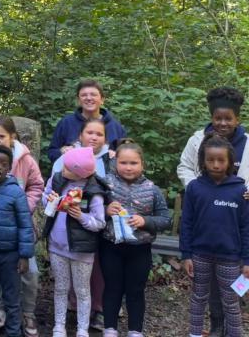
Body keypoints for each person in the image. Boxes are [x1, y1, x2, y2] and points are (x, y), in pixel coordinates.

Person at [176, 86, 249, 337]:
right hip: (206, 221)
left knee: (234, 279)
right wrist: (200, 190)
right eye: (217, 118)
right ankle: (217, 325)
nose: (222, 123)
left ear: (237, 118)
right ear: (211, 117)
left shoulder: (247, 143)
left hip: (237, 221)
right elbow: (184, 167)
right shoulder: (197, 139)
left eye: (228, 118)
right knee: (206, 287)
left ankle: (232, 326)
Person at [0, 116, 43, 337]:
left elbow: (25, 224)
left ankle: (17, 328)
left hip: (11, 251)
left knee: (15, 294)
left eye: (1, 136)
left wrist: (24, 254)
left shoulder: (16, 188)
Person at [101, 141, 171, 337]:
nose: (129, 167)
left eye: (134, 163)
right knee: (112, 288)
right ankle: (110, 329)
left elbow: (165, 219)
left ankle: (135, 330)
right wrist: (105, 210)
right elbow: (91, 209)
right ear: (115, 163)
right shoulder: (105, 184)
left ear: (142, 164)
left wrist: (146, 221)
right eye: (124, 163)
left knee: (136, 290)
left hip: (140, 249)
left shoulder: (152, 190)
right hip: (110, 246)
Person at [42, 147, 107, 337]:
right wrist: (51, 201)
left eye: (68, 167)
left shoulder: (93, 192)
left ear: (79, 172)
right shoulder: (57, 179)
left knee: (82, 290)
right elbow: (45, 198)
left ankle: (82, 328)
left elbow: (99, 223)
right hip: (57, 245)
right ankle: (59, 326)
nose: (63, 169)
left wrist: (81, 217)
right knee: (61, 287)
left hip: (81, 250)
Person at [47, 79, 127, 163]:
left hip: (107, 174)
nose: (88, 98)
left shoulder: (115, 126)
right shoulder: (66, 123)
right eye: (84, 95)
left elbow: (127, 156)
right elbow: (52, 153)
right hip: (72, 173)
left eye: (93, 95)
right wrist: (63, 152)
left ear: (102, 99)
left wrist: (115, 155)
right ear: (78, 100)